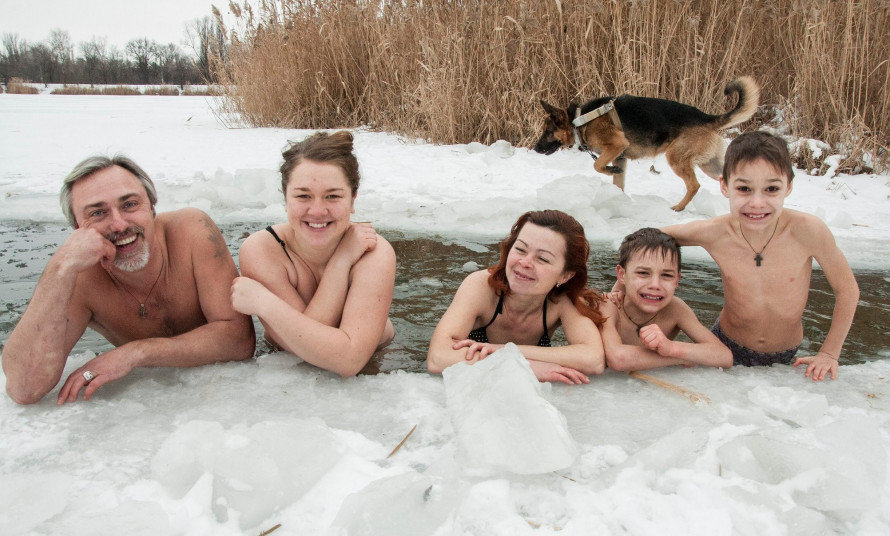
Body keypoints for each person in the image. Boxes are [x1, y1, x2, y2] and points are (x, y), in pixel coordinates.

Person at [2, 155, 256, 405]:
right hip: (156, 406)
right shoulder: (80, 280)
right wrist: (60, 267)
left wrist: (133, 353)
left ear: (152, 206)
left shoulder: (191, 231)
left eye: (130, 205)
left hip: (223, 398)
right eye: (98, 213)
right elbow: (24, 388)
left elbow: (238, 341)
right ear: (77, 227)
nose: (119, 224)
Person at [662, 131, 859, 381]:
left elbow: (847, 290)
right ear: (724, 185)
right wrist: (621, 286)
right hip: (724, 345)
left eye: (771, 189)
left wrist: (829, 353)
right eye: (744, 188)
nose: (757, 202)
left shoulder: (808, 231)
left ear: (788, 187)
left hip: (787, 352)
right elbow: (644, 239)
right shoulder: (715, 232)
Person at [231, 131, 395, 377]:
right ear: (285, 199)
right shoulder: (263, 249)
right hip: (287, 375)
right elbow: (300, 348)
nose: (317, 210)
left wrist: (264, 303)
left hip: (374, 366)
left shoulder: (373, 251)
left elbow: (349, 360)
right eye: (303, 196)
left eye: (333, 196)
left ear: (352, 200)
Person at [426, 209, 606, 385]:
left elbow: (593, 360)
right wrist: (526, 366)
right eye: (520, 249)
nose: (525, 263)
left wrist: (507, 351)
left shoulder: (562, 300)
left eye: (542, 259)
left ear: (565, 275)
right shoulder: (481, 286)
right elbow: (438, 358)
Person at [599, 228, 732, 371]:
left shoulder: (675, 309)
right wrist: (682, 357)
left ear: (677, 280)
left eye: (667, 275)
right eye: (643, 273)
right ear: (621, 275)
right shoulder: (608, 305)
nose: (655, 285)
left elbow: (724, 356)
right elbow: (619, 359)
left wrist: (673, 348)